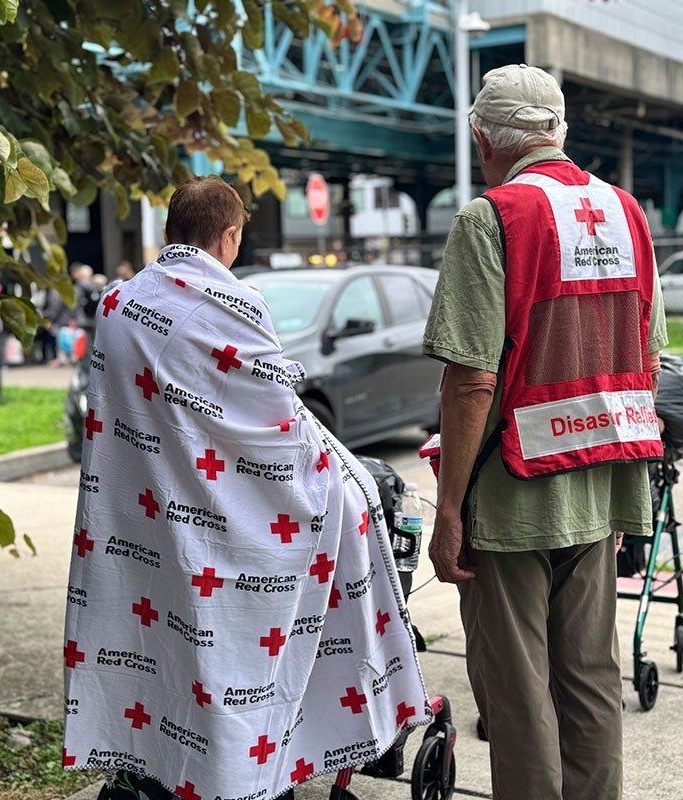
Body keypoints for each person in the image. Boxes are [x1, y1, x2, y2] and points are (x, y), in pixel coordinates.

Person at [63, 176, 428, 800]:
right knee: (345, 530)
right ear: (230, 236)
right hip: (223, 522)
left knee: (163, 644)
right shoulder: (235, 305)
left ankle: (158, 759)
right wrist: (335, 482)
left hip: (142, 521)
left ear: (172, 230)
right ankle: (273, 754)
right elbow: (277, 428)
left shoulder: (119, 305)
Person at [424, 65, 667, 800]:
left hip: (512, 487)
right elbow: (647, 354)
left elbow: (471, 380)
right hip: (600, 474)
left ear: (482, 138)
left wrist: (449, 509)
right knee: (591, 675)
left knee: (520, 688)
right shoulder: (626, 212)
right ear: (561, 131)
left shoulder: (491, 218)